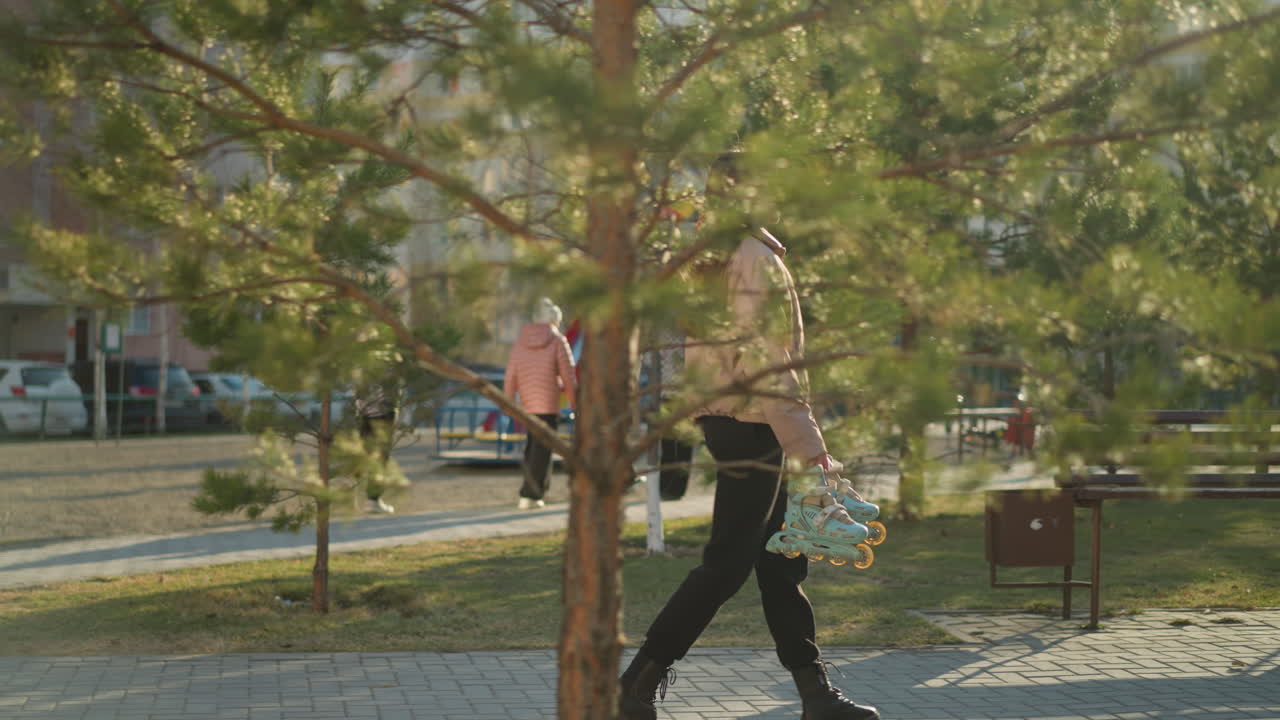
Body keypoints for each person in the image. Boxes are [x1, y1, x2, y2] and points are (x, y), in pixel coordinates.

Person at [619, 154, 880, 720]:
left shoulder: (711, 254)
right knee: (727, 565)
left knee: (781, 563)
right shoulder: (753, 257)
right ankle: (635, 686)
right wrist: (810, 446)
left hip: (732, 419)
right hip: (752, 420)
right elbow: (767, 360)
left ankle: (815, 694)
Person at [504, 297, 577, 510]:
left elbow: (511, 373)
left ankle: (528, 492)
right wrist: (574, 402)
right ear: (555, 319)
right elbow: (568, 374)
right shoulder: (557, 340)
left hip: (527, 403)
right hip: (547, 402)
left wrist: (508, 401)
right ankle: (532, 494)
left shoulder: (521, 341)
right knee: (543, 449)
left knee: (531, 446)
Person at [355, 373, 399, 514]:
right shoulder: (388, 357)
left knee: (361, 455)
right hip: (382, 412)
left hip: (362, 411)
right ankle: (372, 500)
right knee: (380, 458)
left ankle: (355, 498)